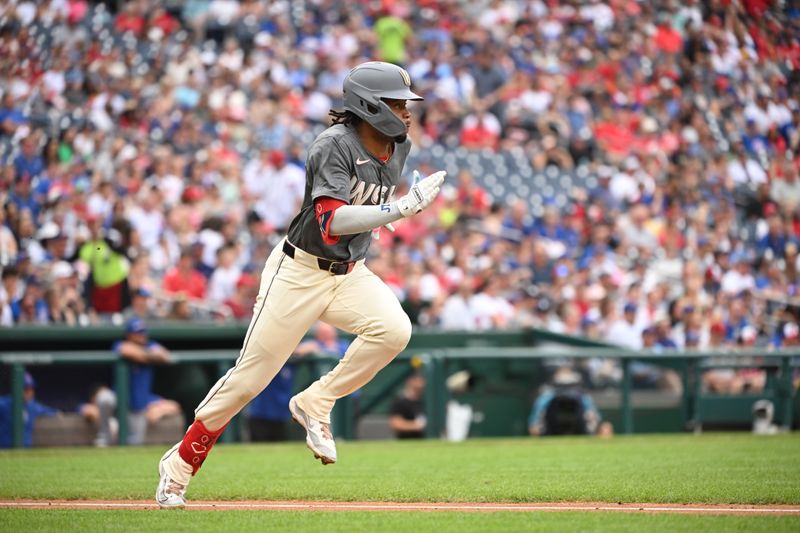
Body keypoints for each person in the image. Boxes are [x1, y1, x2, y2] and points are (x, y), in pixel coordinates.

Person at [156, 61, 446, 508]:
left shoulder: (398, 146)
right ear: (370, 104)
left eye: (406, 104)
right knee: (250, 379)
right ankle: (179, 466)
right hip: (300, 271)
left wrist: (390, 213)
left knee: (394, 330)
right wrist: (400, 211)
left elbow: (364, 212)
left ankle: (316, 401)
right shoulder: (334, 144)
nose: (406, 112)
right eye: (397, 103)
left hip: (349, 272)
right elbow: (331, 221)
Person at [83, 318, 181, 446]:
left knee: (134, 445)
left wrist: (142, 356)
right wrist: (148, 357)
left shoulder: (150, 345)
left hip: (138, 408)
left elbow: (164, 355)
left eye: (143, 332)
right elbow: (126, 350)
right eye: (138, 333)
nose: (142, 336)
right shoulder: (120, 344)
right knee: (105, 398)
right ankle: (105, 437)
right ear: (130, 335)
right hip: (119, 403)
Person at [247, 322, 348, 442]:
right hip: (261, 415)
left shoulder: (294, 361)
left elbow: (310, 349)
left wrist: (318, 347)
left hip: (281, 416)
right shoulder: (271, 359)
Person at [528, 367, 613, 438]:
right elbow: (534, 426)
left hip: (581, 433)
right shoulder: (547, 396)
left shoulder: (583, 396)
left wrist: (600, 428)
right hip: (551, 434)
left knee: (606, 427)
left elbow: (596, 421)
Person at [0, 372, 59, 448]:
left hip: (26, 451)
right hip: (5, 451)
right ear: (16, 389)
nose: (30, 393)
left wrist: (57, 413)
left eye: (31, 389)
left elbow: (51, 411)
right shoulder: (4, 404)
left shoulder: (32, 406)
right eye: (26, 389)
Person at [388, 372, 427, 439]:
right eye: (417, 381)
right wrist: (416, 426)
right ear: (410, 381)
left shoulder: (425, 400)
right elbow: (395, 423)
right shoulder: (400, 401)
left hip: (424, 441)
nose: (421, 384)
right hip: (405, 440)